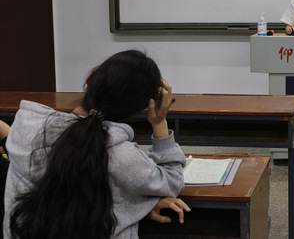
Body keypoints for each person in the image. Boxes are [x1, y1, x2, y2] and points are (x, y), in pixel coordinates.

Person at [4, 50, 187, 239]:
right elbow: (172, 181)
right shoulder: (124, 158)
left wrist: (142, 203)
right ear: (144, 106)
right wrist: (159, 122)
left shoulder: (27, 129)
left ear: (90, 78)